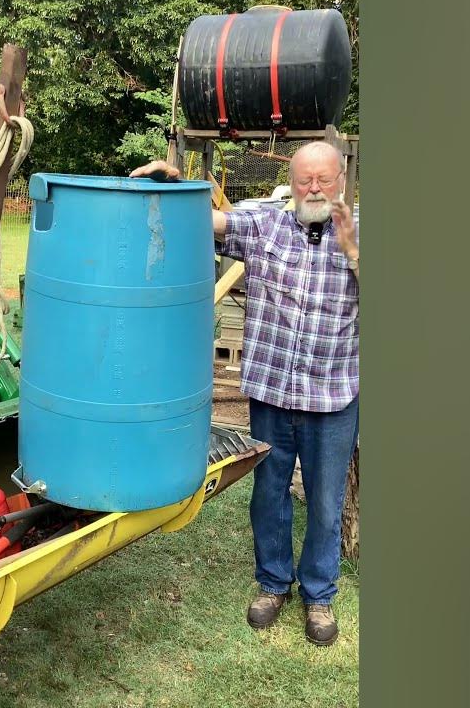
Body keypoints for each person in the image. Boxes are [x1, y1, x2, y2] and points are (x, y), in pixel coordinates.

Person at [130, 141, 359, 646]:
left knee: (325, 502)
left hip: (331, 397)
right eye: (304, 180)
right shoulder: (267, 224)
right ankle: (273, 584)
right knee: (269, 493)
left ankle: (319, 595)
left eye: (323, 179)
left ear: (341, 180)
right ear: (292, 184)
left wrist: (353, 251)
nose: (314, 189)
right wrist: (175, 186)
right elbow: (209, 221)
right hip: (272, 391)